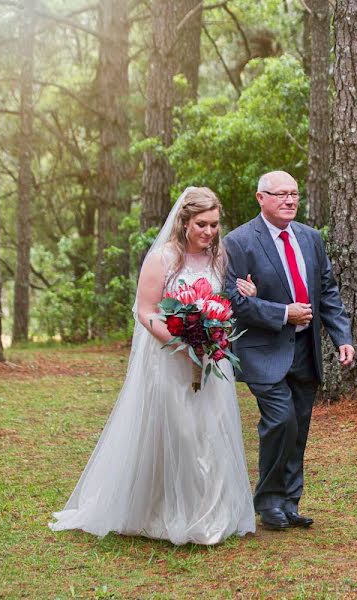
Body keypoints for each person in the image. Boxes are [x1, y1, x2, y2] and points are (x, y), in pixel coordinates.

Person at [49, 187, 258, 545]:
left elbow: (225, 301)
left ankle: (210, 513)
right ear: (185, 222)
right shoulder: (163, 258)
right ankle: (163, 510)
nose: (209, 232)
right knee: (180, 431)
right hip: (170, 359)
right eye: (202, 224)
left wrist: (239, 300)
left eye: (214, 225)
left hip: (211, 360)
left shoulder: (219, 257)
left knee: (211, 430)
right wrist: (179, 342)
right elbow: (145, 310)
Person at [222, 171, 354, 531]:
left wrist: (343, 336)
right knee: (281, 421)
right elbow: (232, 300)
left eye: (294, 193)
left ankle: (289, 503)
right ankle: (268, 503)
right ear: (260, 197)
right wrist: (283, 313)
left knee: (300, 427)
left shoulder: (311, 239)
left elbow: (326, 291)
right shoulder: (239, 242)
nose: (290, 200)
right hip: (262, 350)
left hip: (305, 349)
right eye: (280, 194)